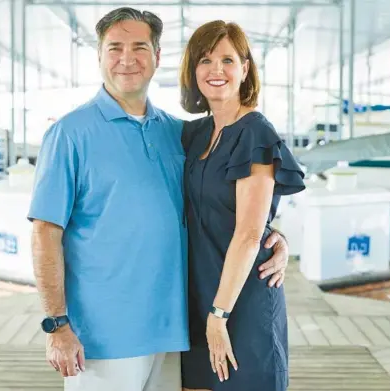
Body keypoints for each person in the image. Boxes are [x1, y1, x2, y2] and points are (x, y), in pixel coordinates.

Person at [27, 7, 291, 391]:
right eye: (115, 47)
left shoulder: (177, 133)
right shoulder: (69, 134)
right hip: (104, 337)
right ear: (99, 55)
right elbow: (44, 234)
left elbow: (224, 196)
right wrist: (56, 324)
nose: (127, 59)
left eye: (140, 47)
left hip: (172, 331)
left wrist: (272, 237)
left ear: (157, 57)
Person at [179, 20, 306, 391]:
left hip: (239, 300)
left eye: (227, 60)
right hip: (200, 294)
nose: (216, 70)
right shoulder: (196, 133)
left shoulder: (255, 132)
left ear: (245, 68)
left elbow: (250, 234)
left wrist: (219, 315)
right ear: (192, 71)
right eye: (205, 60)